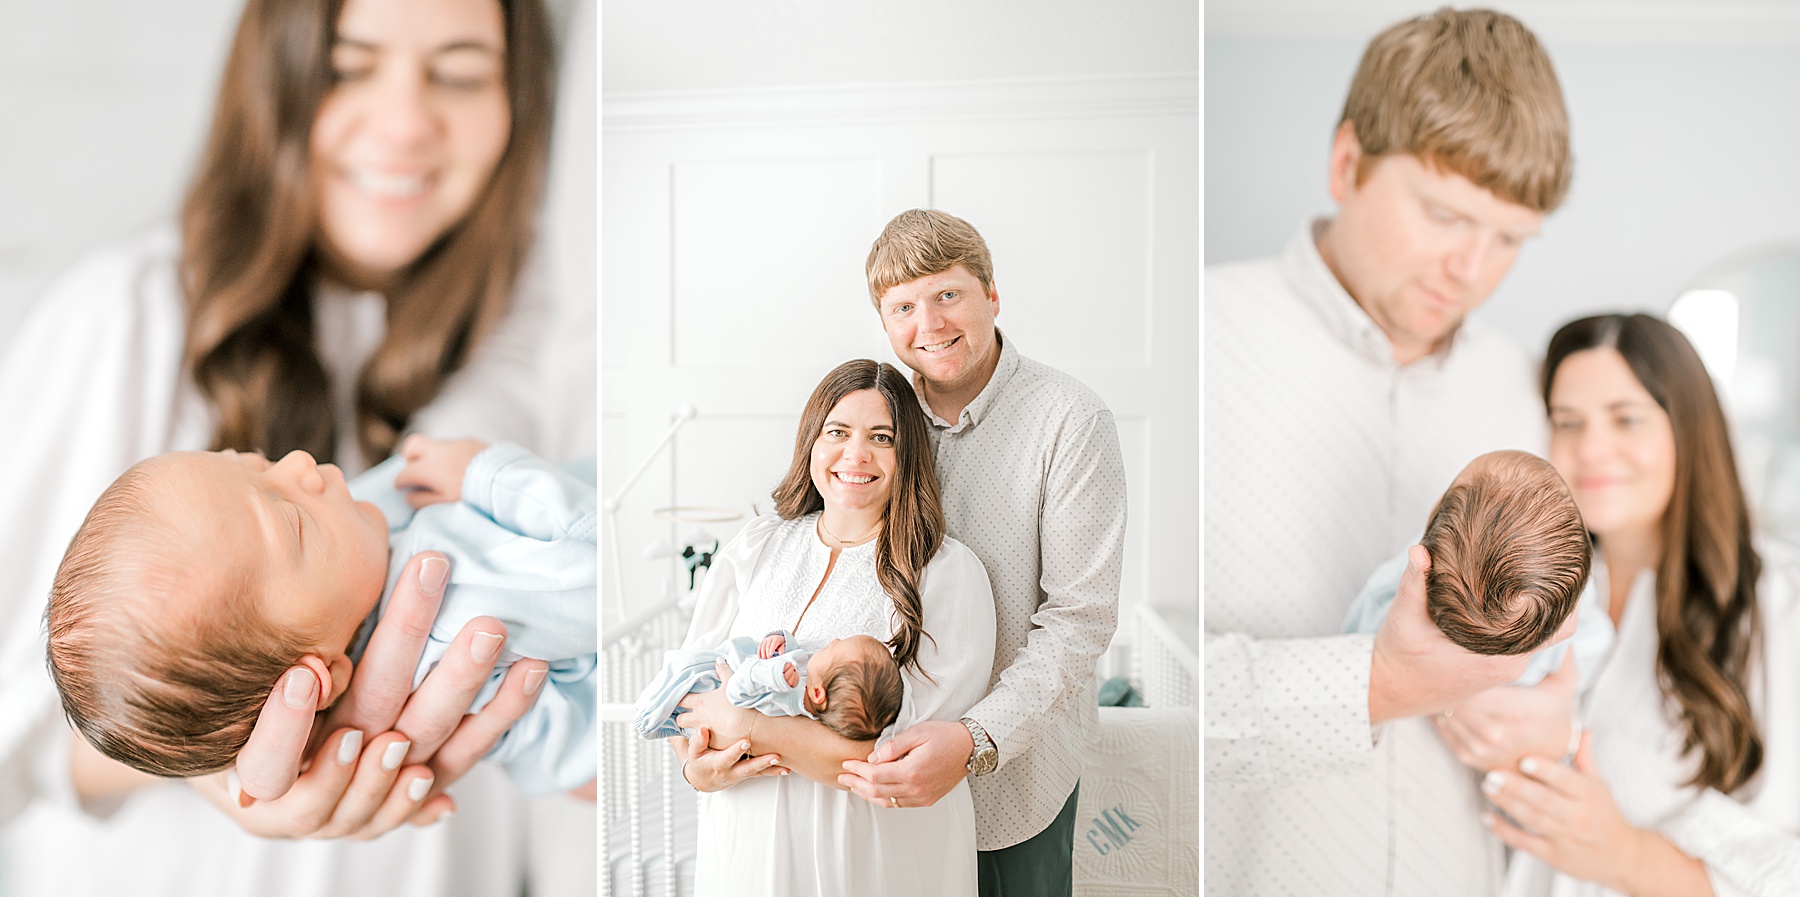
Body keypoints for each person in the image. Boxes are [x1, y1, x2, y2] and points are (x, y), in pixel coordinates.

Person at [0, 0, 575, 893]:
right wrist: (205, 754)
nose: (404, 123)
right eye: (349, 66)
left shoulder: (546, 332)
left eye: (460, 73)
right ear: (277, 79)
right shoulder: (126, 319)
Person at [1203, 8, 1575, 895]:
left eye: (1510, 239)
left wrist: (1557, 718)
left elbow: (1581, 641)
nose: (1472, 268)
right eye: (1445, 214)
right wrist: (1373, 682)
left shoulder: (1527, 391)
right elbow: (1137, 685)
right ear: (1347, 164)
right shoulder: (1204, 339)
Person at [677, 208, 1129, 897]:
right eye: (905, 306)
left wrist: (975, 737)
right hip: (862, 787)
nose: (931, 322)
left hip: (1011, 765)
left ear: (991, 296)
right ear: (885, 322)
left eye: (949, 294)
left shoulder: (1069, 421)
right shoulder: (883, 415)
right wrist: (702, 756)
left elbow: (1080, 619)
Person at [1452, 314, 1800, 896]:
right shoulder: (1526, 588)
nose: (1590, 450)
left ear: (1688, 430)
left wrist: (1627, 856)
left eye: (1627, 419)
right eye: (1567, 422)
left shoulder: (1778, 604)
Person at [46, 437, 596, 794]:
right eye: (292, 521)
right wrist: (486, 474)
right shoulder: (454, 599)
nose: (300, 467)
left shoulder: (350, 562)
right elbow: (613, 573)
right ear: (319, 677)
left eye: (253, 462)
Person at [672, 359, 997, 895]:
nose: (856, 454)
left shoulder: (945, 573)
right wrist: (694, 769)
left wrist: (749, 726)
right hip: (749, 846)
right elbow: (692, 686)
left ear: (907, 454)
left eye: (882, 437)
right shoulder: (757, 546)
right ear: (812, 442)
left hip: (871, 856)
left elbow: (894, 760)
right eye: (838, 432)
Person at [1342, 449, 1607, 693]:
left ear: (1436, 509)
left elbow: (1360, 633)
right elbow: (1597, 641)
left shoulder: (1407, 578)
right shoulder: (1573, 589)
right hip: (1528, 689)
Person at [634, 631, 903, 742]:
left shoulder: (785, 696)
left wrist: (772, 673)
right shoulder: (811, 678)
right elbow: (796, 655)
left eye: (836, 648)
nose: (833, 641)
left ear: (818, 694)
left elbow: (736, 692)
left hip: (720, 682)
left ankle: (653, 715)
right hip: (736, 669)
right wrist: (781, 640)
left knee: (685, 667)